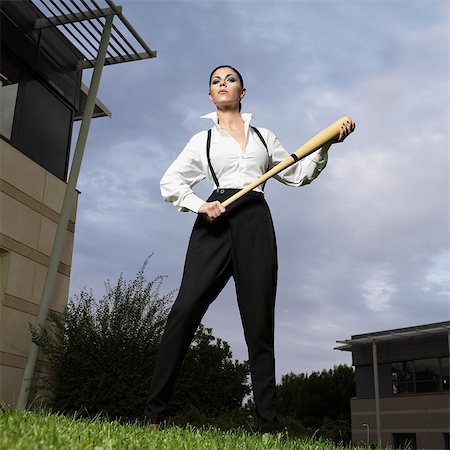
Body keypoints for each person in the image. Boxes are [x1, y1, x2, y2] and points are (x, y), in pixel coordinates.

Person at [144, 65, 355, 433]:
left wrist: (324, 147)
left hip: (255, 218)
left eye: (229, 79)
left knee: (259, 324)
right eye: (215, 81)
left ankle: (267, 427)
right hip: (215, 219)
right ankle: (154, 415)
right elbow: (171, 182)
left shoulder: (264, 137)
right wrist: (199, 204)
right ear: (210, 96)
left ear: (243, 92)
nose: (222, 84)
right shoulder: (202, 140)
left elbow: (297, 174)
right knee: (184, 311)